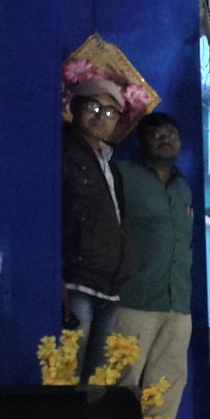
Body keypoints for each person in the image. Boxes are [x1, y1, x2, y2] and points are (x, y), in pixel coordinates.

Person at [114, 113, 195, 419]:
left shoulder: (182, 186)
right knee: (124, 384)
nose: (165, 139)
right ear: (140, 141)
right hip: (134, 298)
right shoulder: (123, 176)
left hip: (177, 302)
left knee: (167, 385)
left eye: (171, 134)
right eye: (156, 134)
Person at [61, 78, 133, 381]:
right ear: (74, 107)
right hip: (77, 284)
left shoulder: (108, 161)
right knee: (67, 379)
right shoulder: (62, 150)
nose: (101, 116)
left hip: (109, 287)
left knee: (94, 386)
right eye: (93, 106)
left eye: (111, 112)